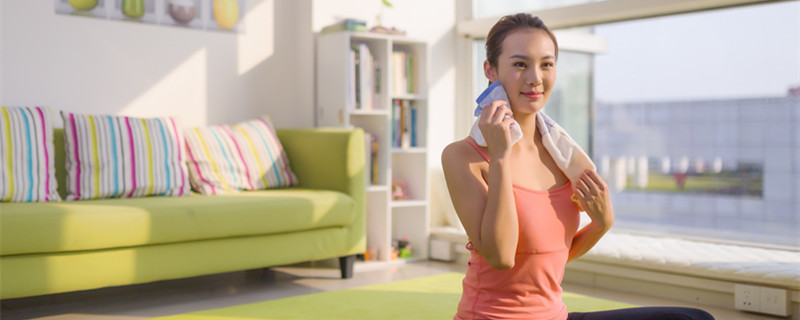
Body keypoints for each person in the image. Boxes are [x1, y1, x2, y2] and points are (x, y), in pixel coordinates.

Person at [441, 13, 715, 320]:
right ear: (490, 70)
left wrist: (601, 224)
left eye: (546, 64)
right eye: (520, 64)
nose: (535, 78)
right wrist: (501, 157)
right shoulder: (463, 157)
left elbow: (548, 257)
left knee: (693, 319)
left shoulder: (562, 156)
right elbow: (501, 257)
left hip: (556, 315)